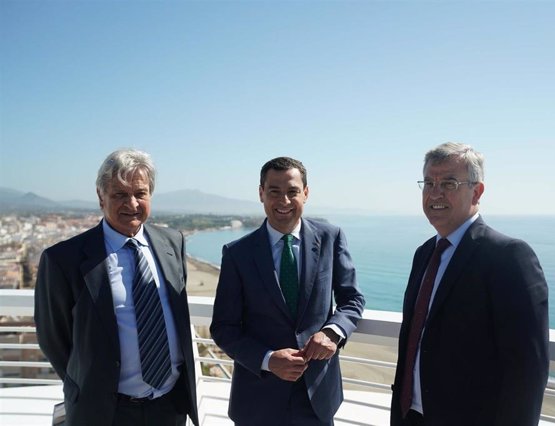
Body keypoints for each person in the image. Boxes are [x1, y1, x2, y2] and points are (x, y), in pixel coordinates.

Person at [34, 149, 199, 426]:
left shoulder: (172, 242)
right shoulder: (64, 259)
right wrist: (89, 386)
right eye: (120, 194)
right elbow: (54, 339)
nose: (132, 203)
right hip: (105, 412)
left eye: (140, 193)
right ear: (101, 197)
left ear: (151, 195)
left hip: (169, 406)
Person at [390, 142, 549, 425]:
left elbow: (527, 369)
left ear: (476, 191)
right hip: (410, 417)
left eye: (449, 183)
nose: (435, 193)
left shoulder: (508, 256)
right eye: (428, 182)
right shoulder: (424, 253)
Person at [210, 156, 365, 426]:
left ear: (306, 193)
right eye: (274, 192)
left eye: (292, 192)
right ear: (261, 194)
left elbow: (352, 299)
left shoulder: (331, 237)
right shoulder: (237, 253)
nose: (283, 201)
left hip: (317, 399)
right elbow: (224, 328)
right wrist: (268, 360)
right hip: (257, 401)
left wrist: (332, 332)